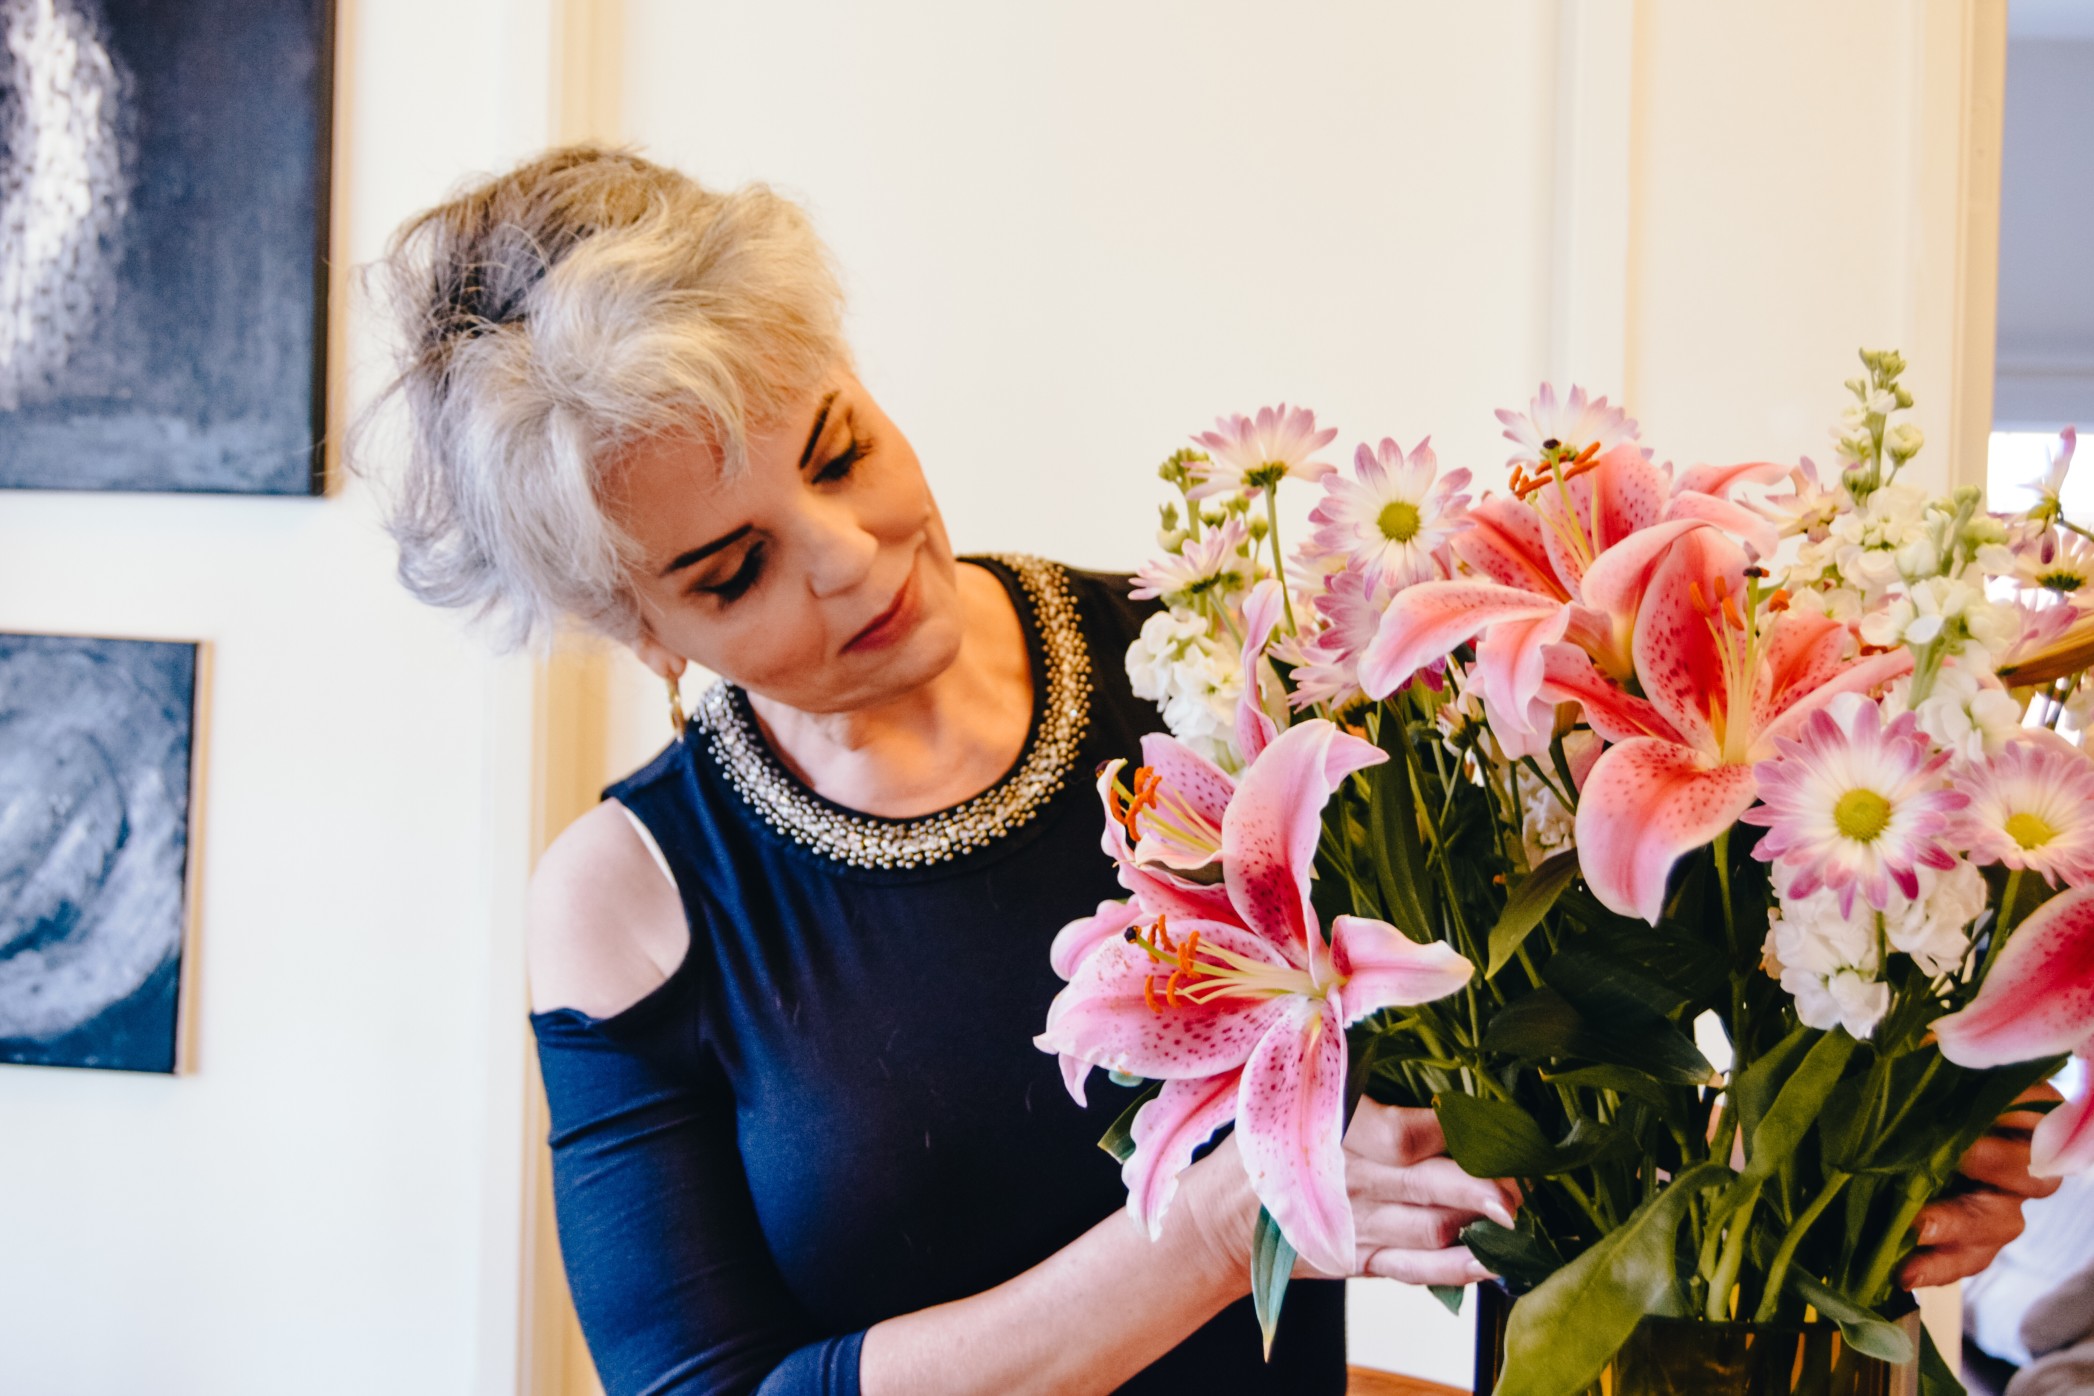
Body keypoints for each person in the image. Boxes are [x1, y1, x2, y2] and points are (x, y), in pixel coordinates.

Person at [361, 146, 2051, 1396]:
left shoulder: (1233, 679)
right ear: (626, 620)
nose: (854, 559)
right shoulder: (626, 901)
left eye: (839, 449)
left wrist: (1860, 1184)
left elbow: (1577, 1107)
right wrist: (1241, 1207)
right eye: (730, 571)